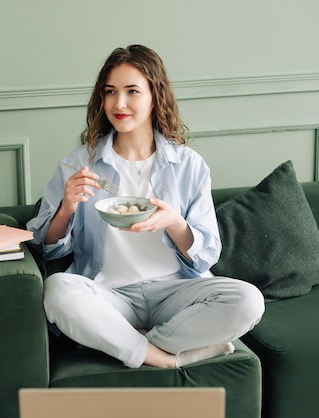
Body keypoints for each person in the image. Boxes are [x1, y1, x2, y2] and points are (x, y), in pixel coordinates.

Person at [27, 45, 264, 369]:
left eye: (132, 91)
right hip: (109, 294)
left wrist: (174, 223)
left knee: (248, 300)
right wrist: (66, 208)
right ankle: (167, 359)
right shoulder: (77, 164)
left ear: (155, 95)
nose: (119, 103)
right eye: (110, 92)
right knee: (58, 290)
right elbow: (47, 250)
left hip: (177, 293)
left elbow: (208, 253)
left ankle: (129, 345)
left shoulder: (189, 165)